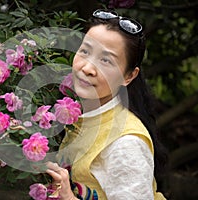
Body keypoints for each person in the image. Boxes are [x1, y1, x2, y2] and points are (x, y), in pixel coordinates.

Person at [46, 9, 167, 200]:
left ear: (129, 76)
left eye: (105, 60)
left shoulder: (126, 144)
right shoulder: (84, 117)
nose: (87, 68)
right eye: (85, 51)